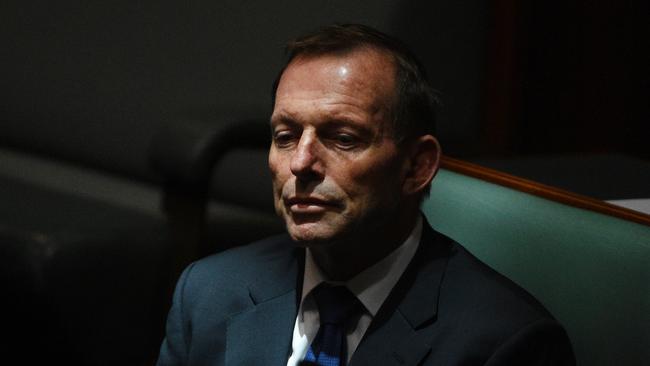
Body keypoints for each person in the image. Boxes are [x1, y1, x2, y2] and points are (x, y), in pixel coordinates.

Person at [156, 24, 575, 366]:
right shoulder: (207, 293)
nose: (301, 163)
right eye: (285, 137)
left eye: (342, 138)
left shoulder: (506, 345)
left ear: (417, 166)